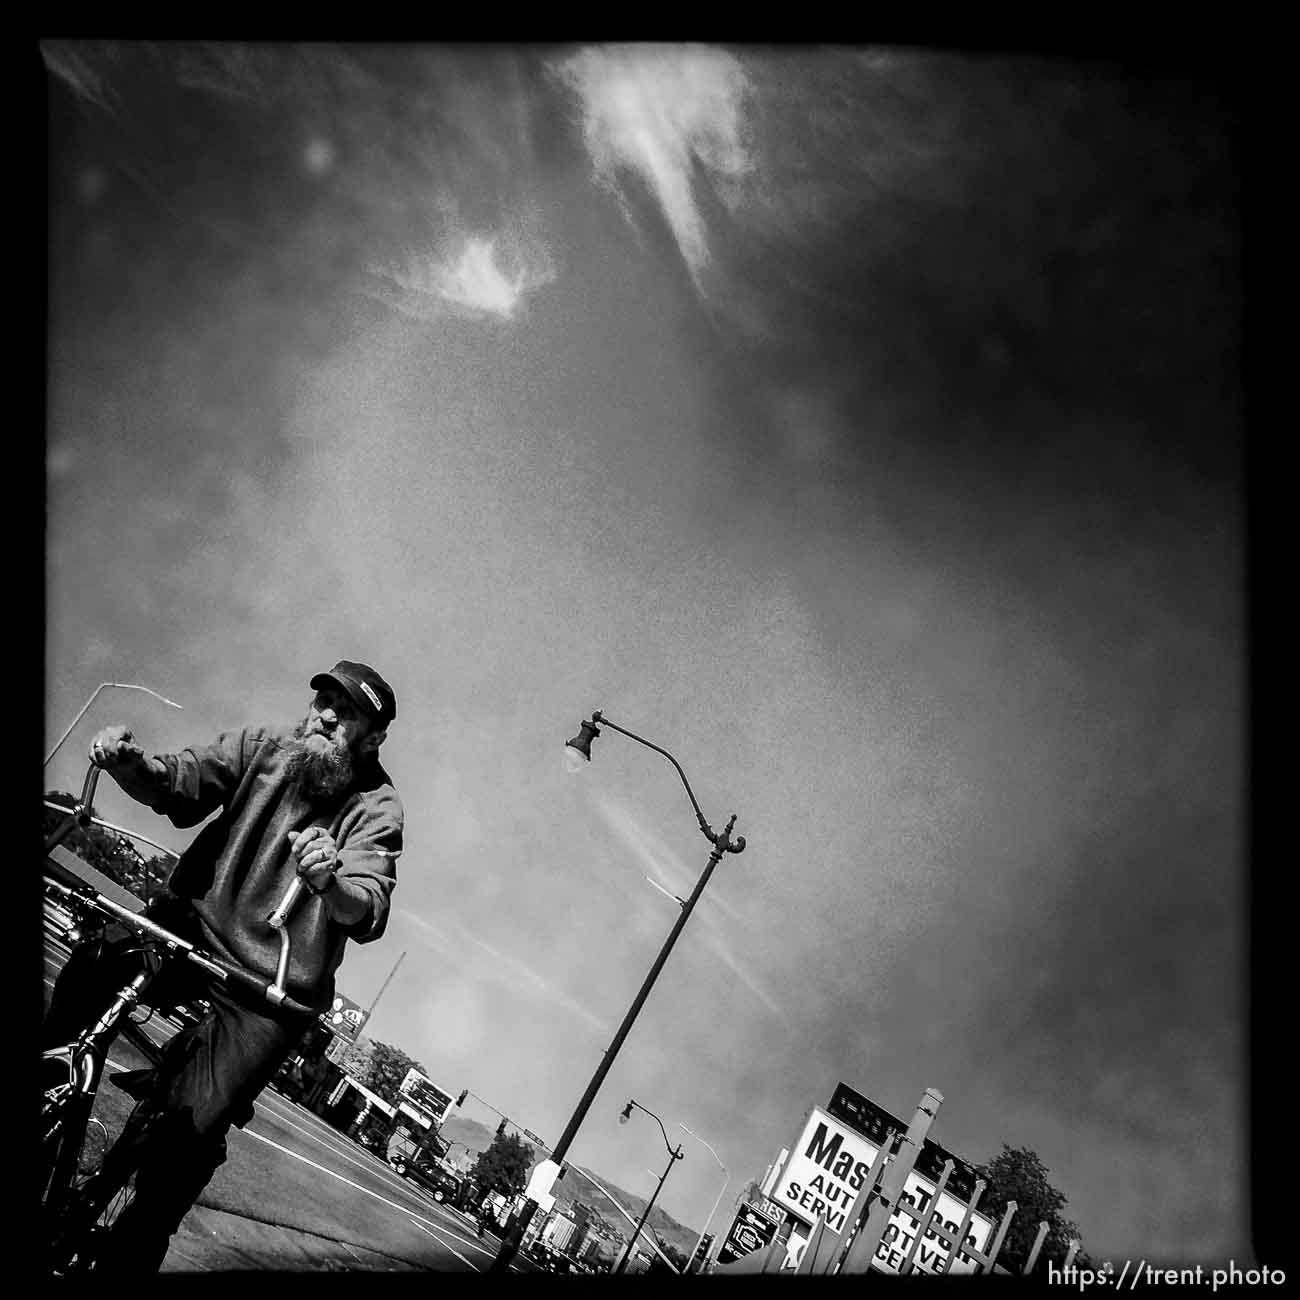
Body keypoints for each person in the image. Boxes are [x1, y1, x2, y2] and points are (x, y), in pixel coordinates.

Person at [43, 660, 404, 1272]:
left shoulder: (377, 807)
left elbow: (368, 904)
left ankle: (134, 1248)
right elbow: (181, 781)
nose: (324, 716)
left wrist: (331, 880)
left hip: (271, 989)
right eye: (322, 702)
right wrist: (132, 763)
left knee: (185, 1140)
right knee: (93, 963)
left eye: (345, 713)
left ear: (372, 737)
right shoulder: (267, 749)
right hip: (187, 928)